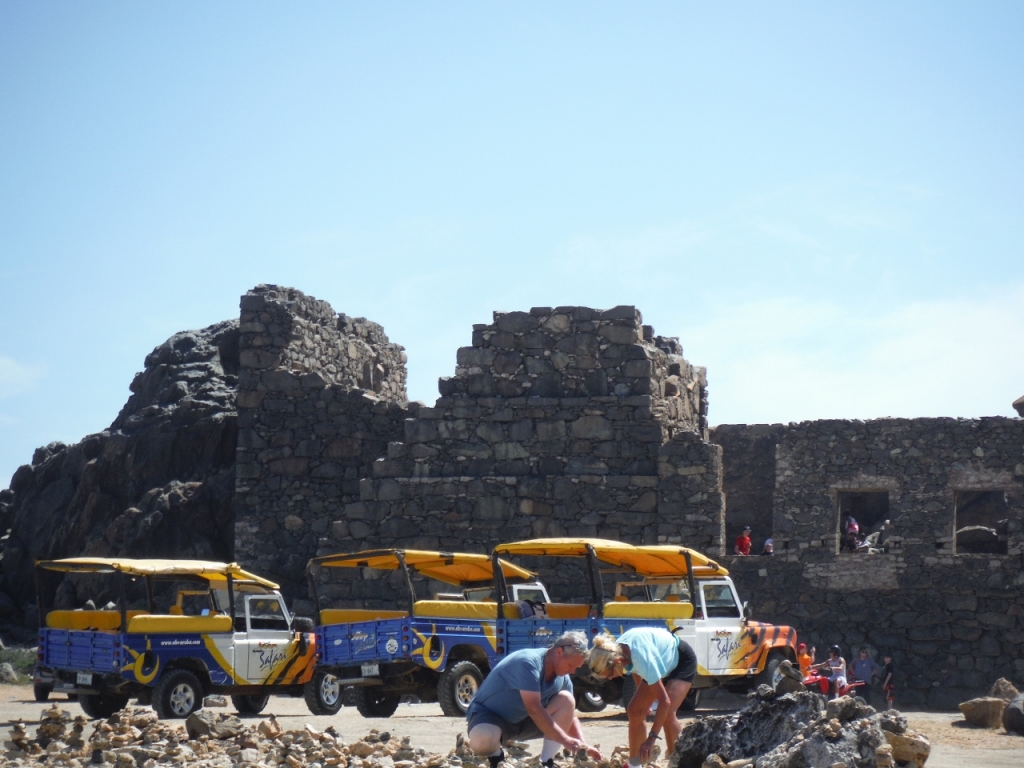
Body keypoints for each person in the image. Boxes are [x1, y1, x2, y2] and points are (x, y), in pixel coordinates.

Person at [466, 631, 602, 768]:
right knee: (482, 742)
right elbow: (534, 708)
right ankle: (497, 757)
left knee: (567, 699)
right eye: (571, 665)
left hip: (526, 721)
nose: (572, 671)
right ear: (559, 652)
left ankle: (546, 762)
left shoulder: (563, 678)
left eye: (576, 668)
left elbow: (569, 715)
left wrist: (582, 746)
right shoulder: (528, 662)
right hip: (491, 716)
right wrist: (566, 740)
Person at [588, 627, 697, 767]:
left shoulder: (641, 658)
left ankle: (680, 763)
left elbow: (665, 702)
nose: (610, 679)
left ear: (617, 661)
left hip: (681, 661)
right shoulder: (618, 650)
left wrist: (651, 739)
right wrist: (646, 703)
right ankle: (635, 765)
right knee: (635, 711)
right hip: (659, 661)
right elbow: (636, 670)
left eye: (609, 675)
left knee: (668, 714)